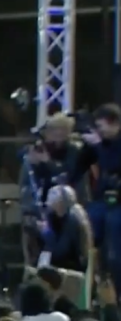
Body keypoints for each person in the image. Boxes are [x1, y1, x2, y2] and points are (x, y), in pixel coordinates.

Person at [20, 114, 81, 265]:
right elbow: (26, 186)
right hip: (41, 207)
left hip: (66, 204)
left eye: (61, 130)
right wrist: (33, 162)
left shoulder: (74, 151)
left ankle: (60, 260)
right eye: (53, 131)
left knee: (69, 224)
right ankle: (37, 266)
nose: (57, 135)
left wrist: (48, 163)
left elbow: (67, 176)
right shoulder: (38, 149)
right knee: (32, 225)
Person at [73, 104, 121, 290]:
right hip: (103, 201)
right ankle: (88, 278)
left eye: (101, 127)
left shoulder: (110, 145)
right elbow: (79, 167)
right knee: (86, 222)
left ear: (115, 124)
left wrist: (99, 145)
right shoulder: (100, 143)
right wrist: (87, 146)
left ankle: (116, 291)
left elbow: (112, 163)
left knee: (114, 230)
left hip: (119, 204)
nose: (99, 131)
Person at [39, 185, 92, 272]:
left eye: (54, 206)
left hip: (75, 268)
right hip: (73, 264)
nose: (52, 210)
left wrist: (45, 234)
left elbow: (61, 252)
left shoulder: (73, 218)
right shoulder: (77, 211)